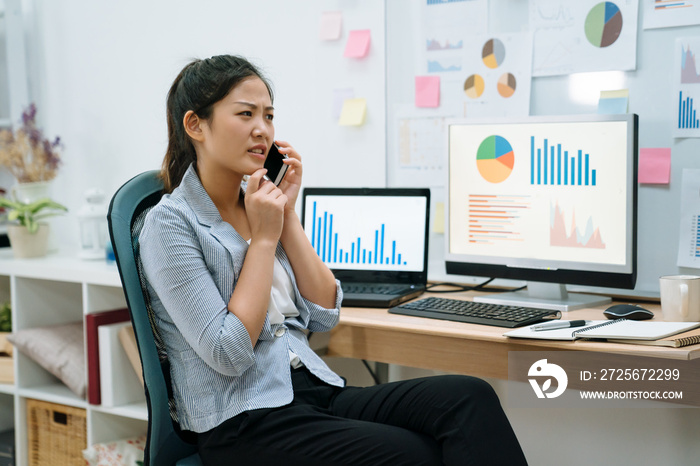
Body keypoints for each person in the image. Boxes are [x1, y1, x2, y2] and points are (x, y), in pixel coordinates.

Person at [139, 54, 528, 466]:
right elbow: (229, 353)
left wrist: (287, 215)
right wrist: (265, 240)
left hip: (312, 389)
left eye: (269, 116)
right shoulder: (168, 225)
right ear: (195, 125)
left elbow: (325, 313)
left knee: (469, 398)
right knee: (417, 455)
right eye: (246, 114)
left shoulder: (261, 205)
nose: (262, 130)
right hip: (243, 419)